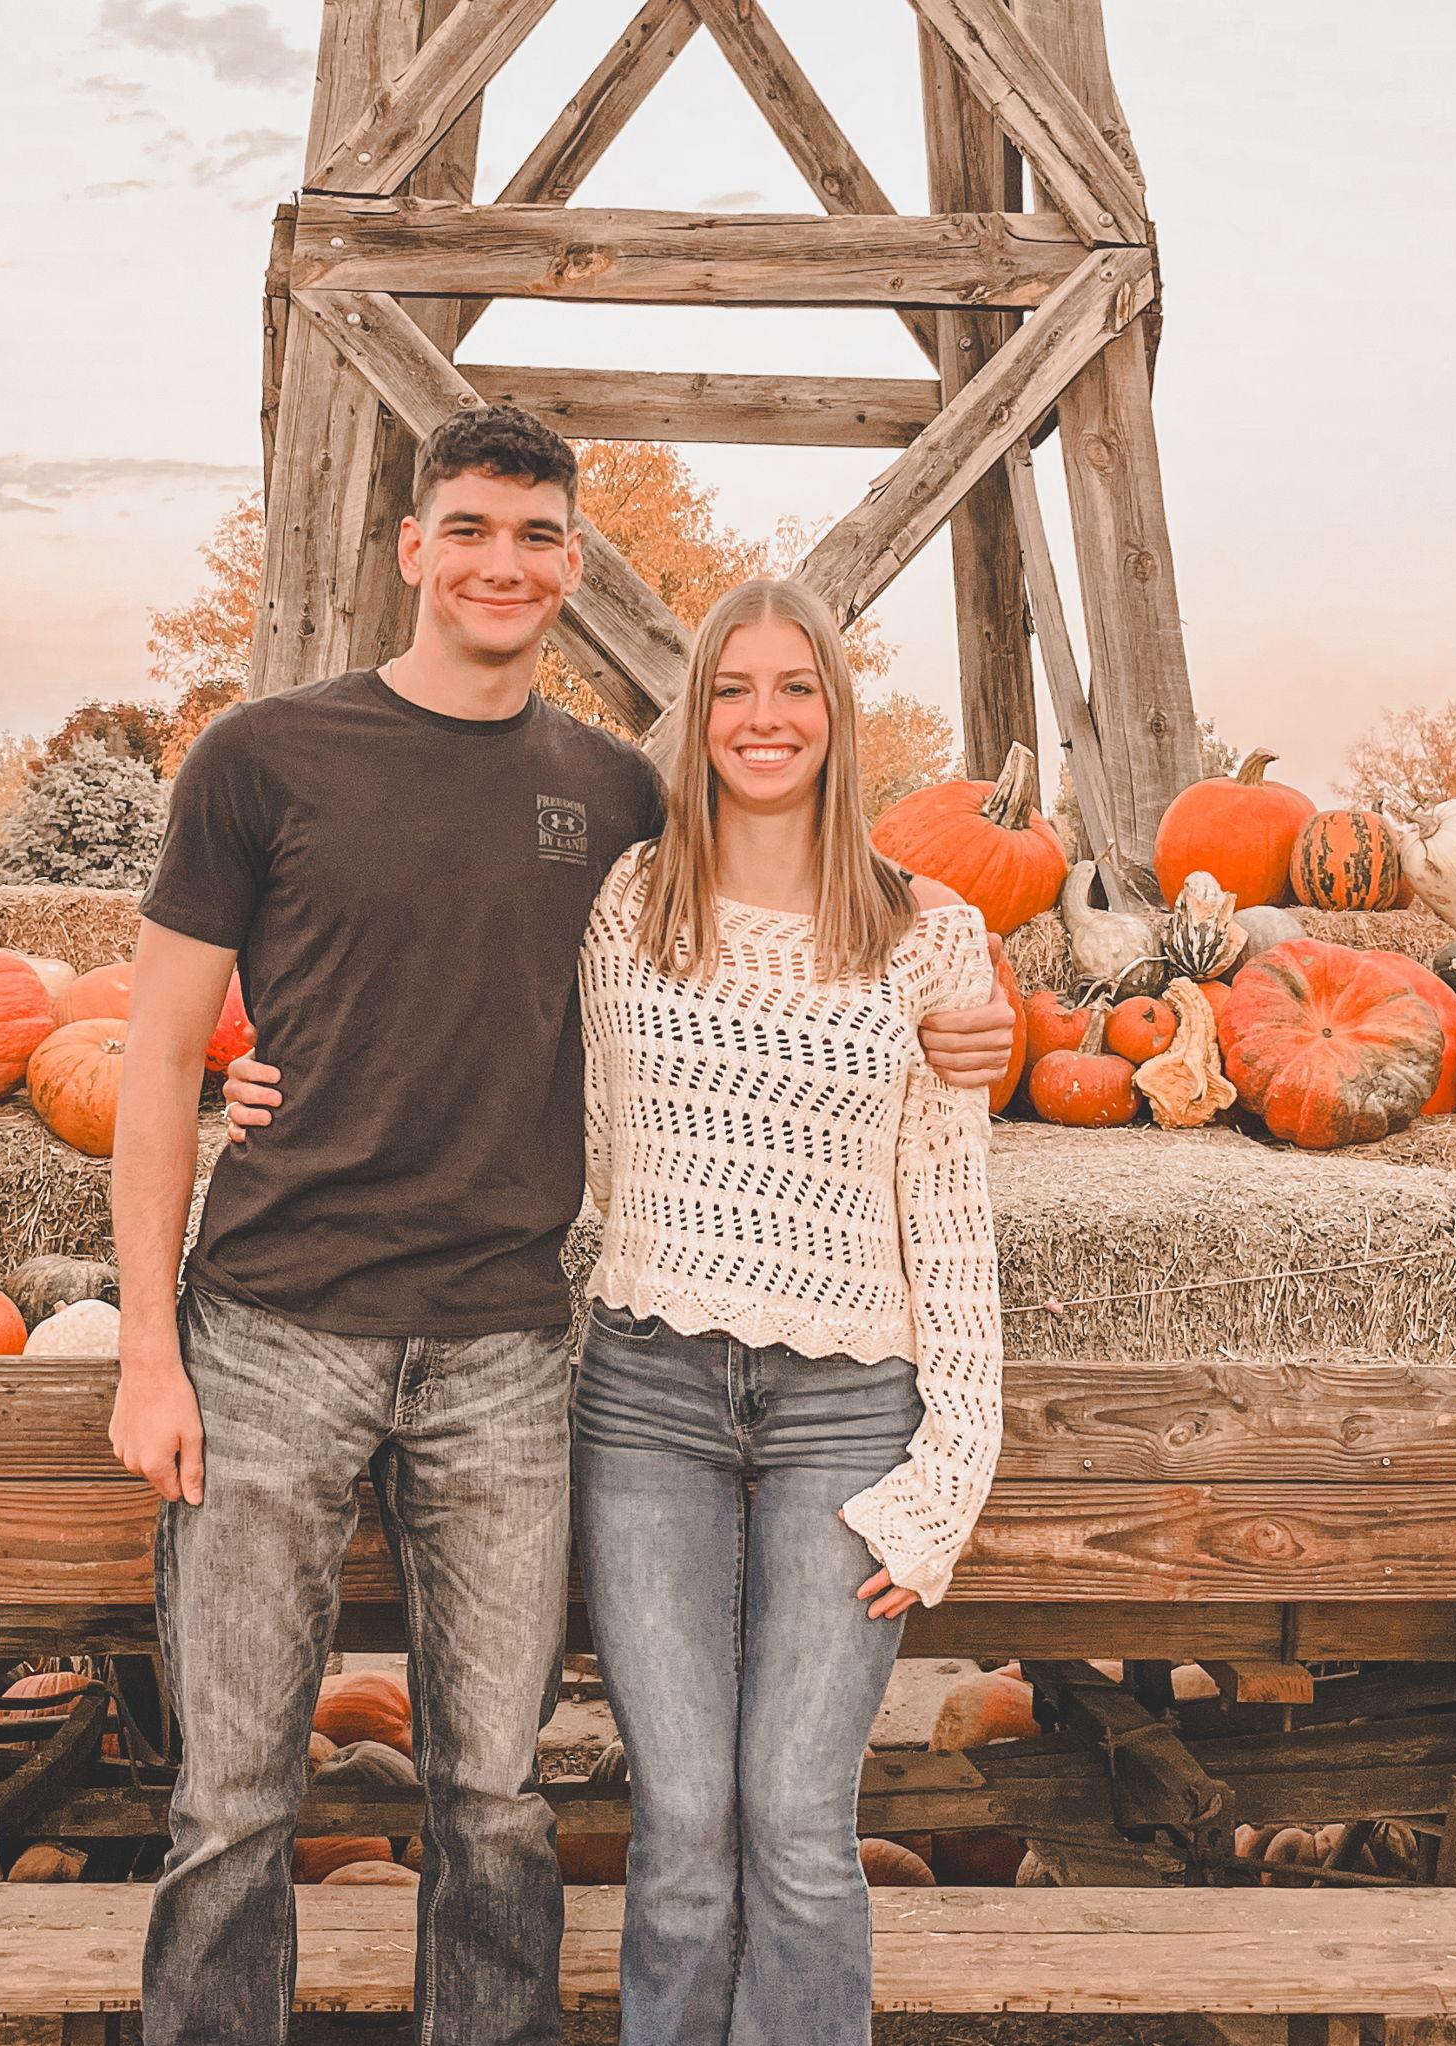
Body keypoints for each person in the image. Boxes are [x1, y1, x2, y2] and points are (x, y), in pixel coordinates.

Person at [116, 404, 1012, 2046]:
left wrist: (984, 1019)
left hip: (506, 1353)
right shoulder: (262, 758)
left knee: (498, 1795)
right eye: (469, 528)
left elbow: (809, 927)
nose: (501, 563)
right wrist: (150, 1355)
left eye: (535, 537)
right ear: (413, 547)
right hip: (268, 1334)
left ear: (574, 562)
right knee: (234, 1796)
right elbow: (161, 1056)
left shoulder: (612, 803)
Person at [570, 578, 1002, 2044]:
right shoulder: (627, 905)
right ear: (696, 716)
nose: (765, 716)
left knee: (802, 1824)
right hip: (645, 1397)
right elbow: (539, 1118)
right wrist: (260, 1081)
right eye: (735, 688)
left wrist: (952, 1470)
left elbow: (948, 1214)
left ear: (837, 713)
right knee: (684, 1823)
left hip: (846, 1415)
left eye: (796, 687)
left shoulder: (930, 935)